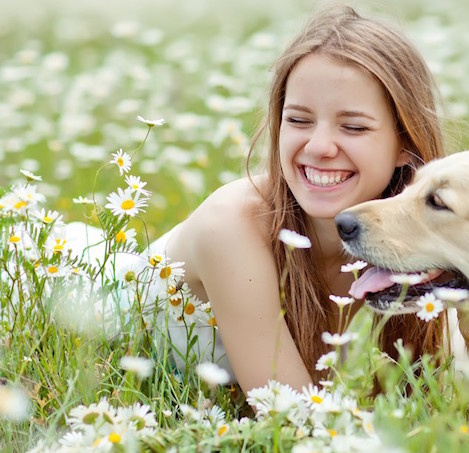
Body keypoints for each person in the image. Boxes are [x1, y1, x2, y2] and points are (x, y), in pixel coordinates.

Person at [152, 5, 449, 394]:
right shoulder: (229, 227)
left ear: (405, 144)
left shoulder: (428, 239)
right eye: (298, 120)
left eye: (354, 126)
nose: (319, 146)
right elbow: (292, 422)